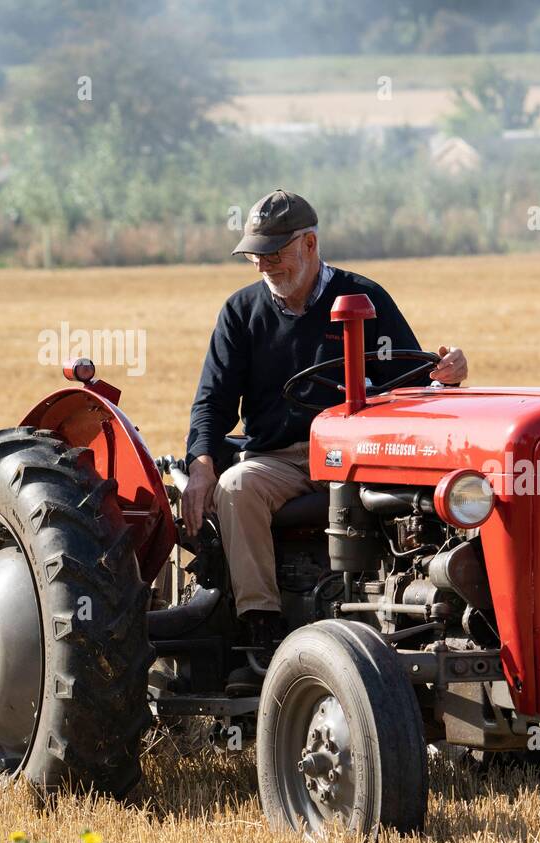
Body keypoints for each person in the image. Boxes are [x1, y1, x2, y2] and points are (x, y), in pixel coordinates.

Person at [183, 189, 468, 694]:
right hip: (282, 459)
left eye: (275, 252)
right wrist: (201, 463)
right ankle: (262, 634)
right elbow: (212, 403)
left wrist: (444, 375)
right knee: (236, 486)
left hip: (361, 456)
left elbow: (410, 380)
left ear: (310, 244)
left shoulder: (366, 298)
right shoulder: (241, 313)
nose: (264, 264)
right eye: (256, 254)